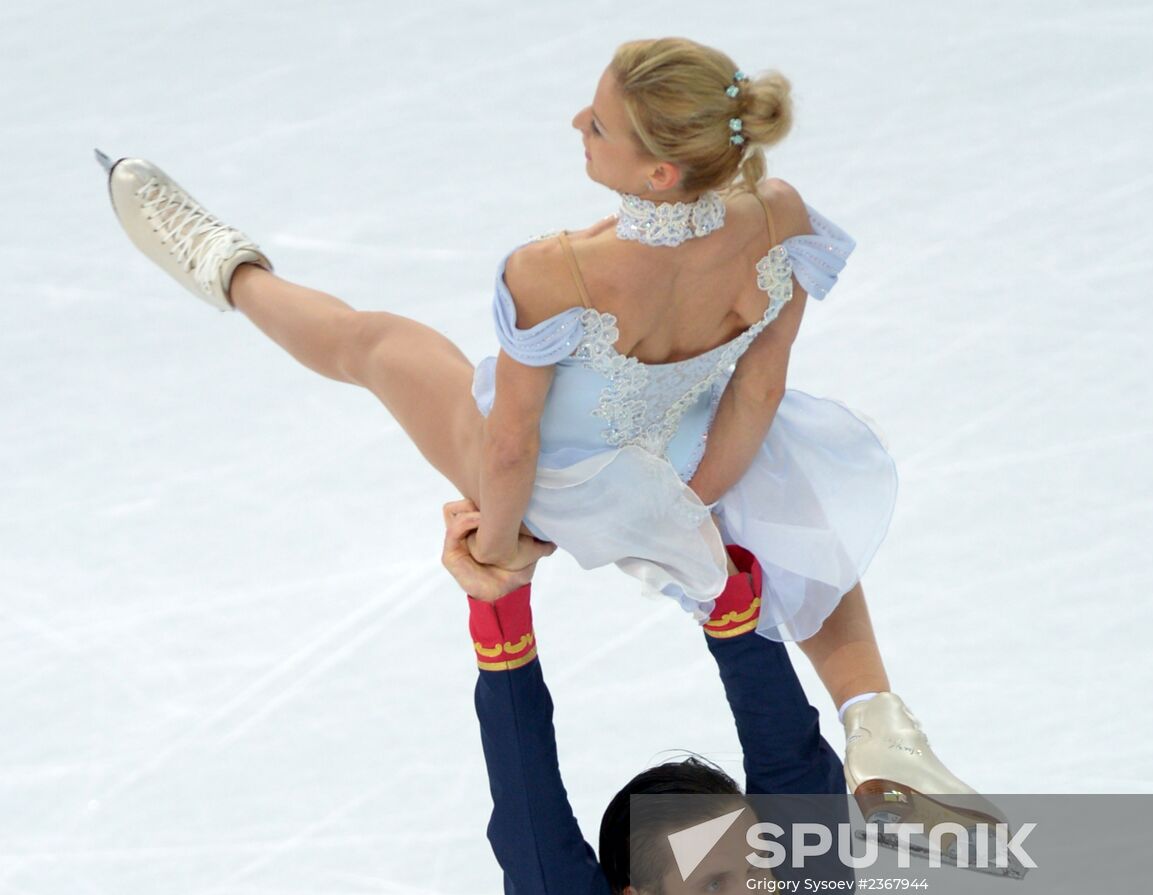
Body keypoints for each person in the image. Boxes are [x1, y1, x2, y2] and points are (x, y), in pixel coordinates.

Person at [96, 36, 1000, 838]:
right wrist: (702, 501)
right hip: (700, 448)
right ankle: (879, 728)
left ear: (658, 174)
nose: (578, 120)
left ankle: (225, 264)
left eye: (599, 124)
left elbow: (510, 446)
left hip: (573, 479)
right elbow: (764, 379)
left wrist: (499, 550)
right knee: (796, 521)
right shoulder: (779, 215)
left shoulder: (557, 270)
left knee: (377, 345)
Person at [439, 497, 877, 895]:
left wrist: (721, 588)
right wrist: (501, 607)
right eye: (713, 885)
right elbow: (534, 835)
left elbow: (790, 761)